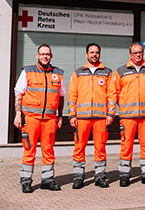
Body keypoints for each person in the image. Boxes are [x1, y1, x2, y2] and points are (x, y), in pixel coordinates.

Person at [13, 44, 65, 193]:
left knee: (48, 150)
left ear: (51, 56)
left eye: (47, 54)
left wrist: (60, 117)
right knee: (29, 149)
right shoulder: (27, 71)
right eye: (42, 54)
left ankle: (47, 181)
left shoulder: (58, 74)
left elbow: (61, 96)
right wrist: (18, 114)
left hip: (49, 119)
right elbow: (18, 93)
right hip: (31, 118)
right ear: (37, 56)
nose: (45, 56)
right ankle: (26, 181)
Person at [110, 41, 145, 186]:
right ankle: (124, 175)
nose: (138, 55)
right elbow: (115, 93)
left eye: (140, 52)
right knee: (126, 145)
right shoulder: (121, 71)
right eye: (135, 52)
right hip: (127, 116)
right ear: (130, 54)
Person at [68, 43, 114, 189]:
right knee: (79, 147)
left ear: (99, 54)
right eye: (91, 52)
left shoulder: (107, 73)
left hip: (101, 118)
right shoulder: (78, 73)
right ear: (86, 54)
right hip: (81, 118)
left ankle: (100, 177)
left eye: (97, 52)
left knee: (100, 147)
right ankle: (78, 177)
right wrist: (71, 115)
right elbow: (72, 95)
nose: (94, 54)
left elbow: (112, 95)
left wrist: (111, 114)